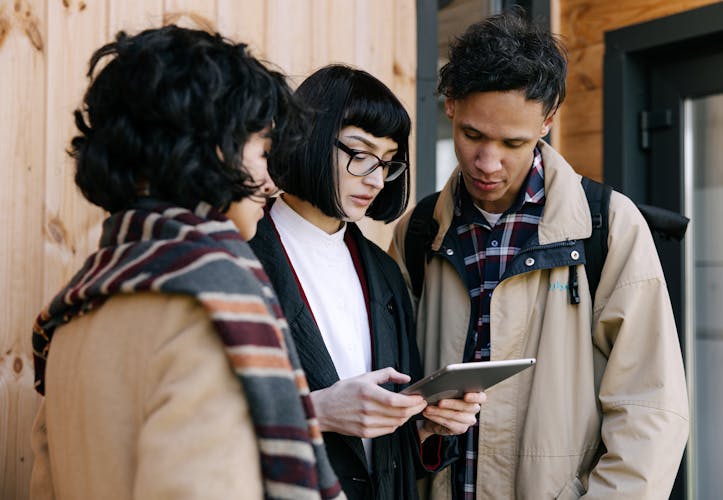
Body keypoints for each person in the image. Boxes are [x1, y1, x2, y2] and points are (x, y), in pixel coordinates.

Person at [29, 25, 343, 500]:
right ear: (216, 148)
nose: (271, 181)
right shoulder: (215, 304)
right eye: (262, 150)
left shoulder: (71, 312)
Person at [389, 9, 689, 500]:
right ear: (450, 107)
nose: (488, 163)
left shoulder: (607, 225)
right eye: (473, 135)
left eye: (513, 142)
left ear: (547, 122)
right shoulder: (419, 232)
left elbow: (650, 406)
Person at [249, 64, 486, 499]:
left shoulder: (383, 270)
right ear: (311, 137)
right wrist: (315, 411)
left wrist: (426, 424)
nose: (376, 180)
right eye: (360, 155)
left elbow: (388, 453)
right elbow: (198, 417)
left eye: (389, 163)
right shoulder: (244, 254)